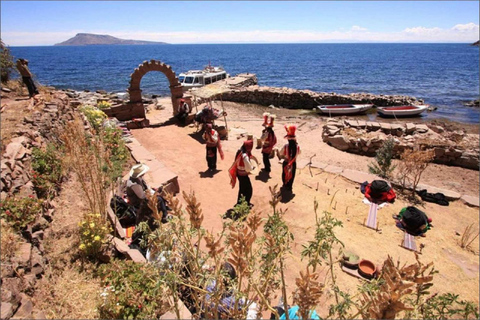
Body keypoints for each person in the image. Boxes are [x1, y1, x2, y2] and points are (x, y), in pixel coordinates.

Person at [229, 140, 257, 207]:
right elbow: (248, 168)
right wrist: (252, 168)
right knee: (248, 189)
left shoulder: (240, 151)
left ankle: (239, 203)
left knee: (242, 188)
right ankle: (246, 203)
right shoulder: (245, 156)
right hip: (243, 175)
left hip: (239, 173)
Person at [278, 125, 301, 192]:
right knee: (292, 174)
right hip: (293, 163)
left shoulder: (285, 146)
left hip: (286, 162)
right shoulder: (298, 147)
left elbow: (281, 153)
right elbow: (299, 153)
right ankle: (290, 186)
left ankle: (285, 184)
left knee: (284, 173)